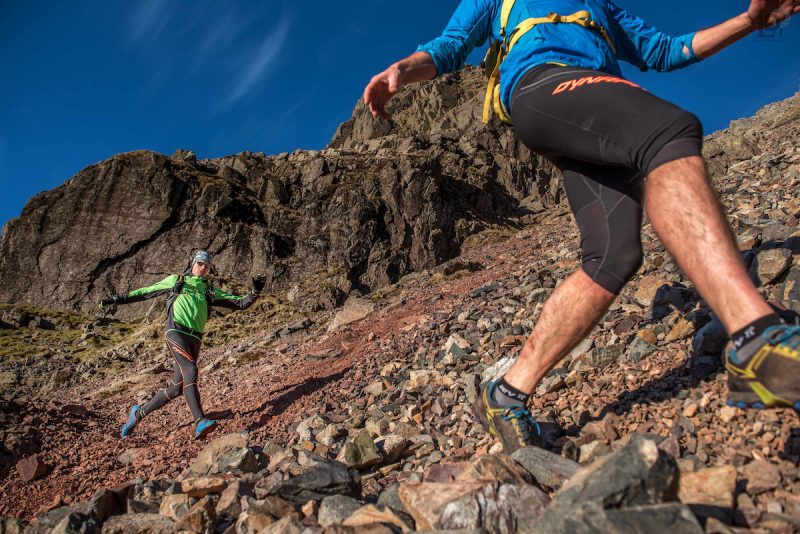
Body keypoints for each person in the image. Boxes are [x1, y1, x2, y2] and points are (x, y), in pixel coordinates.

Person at [363, 0, 800, 453]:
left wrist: (751, 22)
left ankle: (507, 392)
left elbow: (667, 51)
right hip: (542, 84)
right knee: (669, 131)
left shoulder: (601, 6)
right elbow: (450, 46)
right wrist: (402, 69)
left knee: (614, 254)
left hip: (586, 108)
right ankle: (754, 336)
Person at [99, 250, 265, 440]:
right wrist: (116, 299)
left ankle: (138, 414)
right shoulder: (177, 281)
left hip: (195, 339)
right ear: (193, 263)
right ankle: (200, 421)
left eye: (207, 266)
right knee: (191, 369)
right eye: (200, 263)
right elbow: (145, 292)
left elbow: (240, 303)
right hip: (176, 332)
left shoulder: (208, 289)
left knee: (176, 388)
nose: (203, 268)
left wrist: (255, 292)